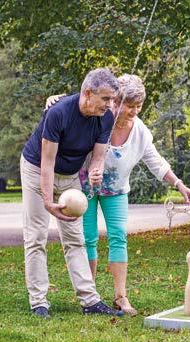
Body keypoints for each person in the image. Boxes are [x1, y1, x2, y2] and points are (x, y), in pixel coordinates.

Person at [46, 74, 190, 316]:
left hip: (116, 191)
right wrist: (54, 98)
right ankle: (90, 297)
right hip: (83, 187)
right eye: (130, 105)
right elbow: (78, 104)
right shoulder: (99, 118)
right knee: (88, 239)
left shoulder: (140, 131)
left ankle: (121, 296)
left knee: (118, 237)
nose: (134, 111)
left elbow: (156, 162)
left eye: (139, 106)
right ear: (116, 102)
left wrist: (179, 184)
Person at [20, 68, 124, 318]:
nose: (110, 105)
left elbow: (97, 157)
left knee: (75, 238)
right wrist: (47, 201)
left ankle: (89, 301)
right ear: (88, 93)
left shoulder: (106, 117)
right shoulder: (58, 113)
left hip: (69, 177)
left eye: (113, 99)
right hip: (37, 170)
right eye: (106, 99)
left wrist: (96, 171)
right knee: (36, 236)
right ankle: (39, 302)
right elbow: (47, 162)